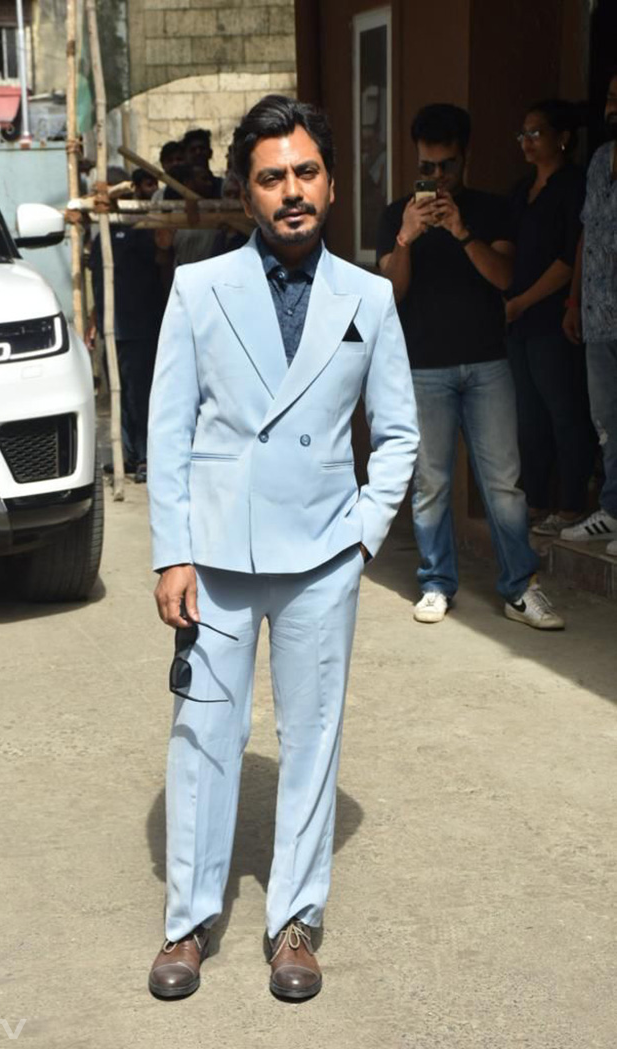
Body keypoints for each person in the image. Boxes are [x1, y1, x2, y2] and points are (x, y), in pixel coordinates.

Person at [147, 94, 419, 1001]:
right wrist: (170, 552)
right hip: (217, 559)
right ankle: (188, 919)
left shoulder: (370, 297)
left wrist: (360, 536)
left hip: (320, 561)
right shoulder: (199, 288)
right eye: (272, 177)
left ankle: (294, 921)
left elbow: (400, 435)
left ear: (331, 183)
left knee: (311, 741)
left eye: (306, 172)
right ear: (246, 192)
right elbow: (170, 431)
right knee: (202, 736)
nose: (292, 191)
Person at [378, 103, 564, 629]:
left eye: (447, 166)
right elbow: (392, 291)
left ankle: (520, 589)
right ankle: (436, 584)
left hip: (487, 365)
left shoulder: (491, 208)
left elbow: (505, 277)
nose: (437, 179)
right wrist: (405, 238)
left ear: (467, 156)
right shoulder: (397, 215)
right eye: (427, 168)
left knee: (504, 483)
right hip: (423, 370)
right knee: (431, 483)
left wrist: (462, 232)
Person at [505, 100, 595, 537]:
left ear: (563, 137)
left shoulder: (573, 185)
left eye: (536, 132)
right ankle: (538, 502)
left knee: (565, 411)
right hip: (517, 319)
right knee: (529, 416)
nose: (526, 141)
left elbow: (569, 256)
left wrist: (523, 301)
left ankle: (573, 503)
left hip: (552, 315)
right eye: (523, 133)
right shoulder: (521, 190)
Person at [561, 69, 617, 555]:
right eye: (611, 97)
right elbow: (586, 234)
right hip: (600, 316)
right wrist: (575, 300)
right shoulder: (600, 161)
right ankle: (614, 511)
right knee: (606, 420)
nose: (612, 107)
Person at [89, 168, 168, 483]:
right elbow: (98, 283)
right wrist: (94, 322)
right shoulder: (101, 238)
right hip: (112, 330)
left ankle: (147, 455)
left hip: (139, 326)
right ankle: (127, 456)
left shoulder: (142, 229)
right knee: (118, 397)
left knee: (140, 393)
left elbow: (160, 266)